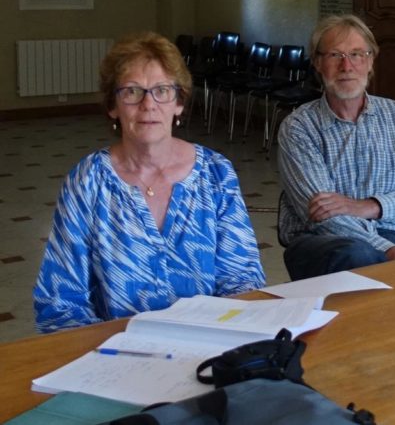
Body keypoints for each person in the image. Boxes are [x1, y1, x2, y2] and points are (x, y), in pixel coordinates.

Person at [34, 32, 266, 333]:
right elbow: (59, 299)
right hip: (115, 352)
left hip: (209, 343)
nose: (148, 104)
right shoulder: (89, 180)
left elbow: (242, 279)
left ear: (179, 103)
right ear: (112, 106)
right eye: (132, 92)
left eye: (162, 90)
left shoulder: (216, 173)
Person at [277, 15, 395, 280]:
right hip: (318, 239)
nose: (347, 66)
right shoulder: (299, 127)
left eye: (357, 54)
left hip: (386, 229)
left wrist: (370, 206)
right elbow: (321, 214)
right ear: (318, 63)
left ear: (370, 61)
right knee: (362, 256)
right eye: (335, 55)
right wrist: (388, 249)